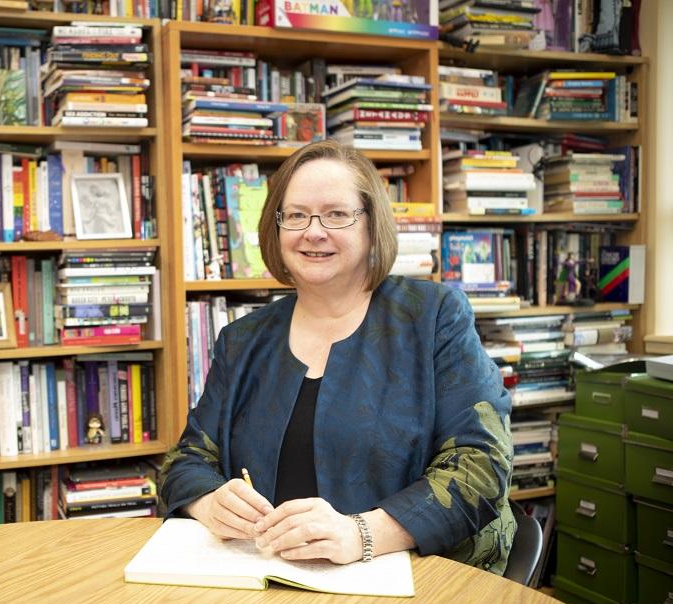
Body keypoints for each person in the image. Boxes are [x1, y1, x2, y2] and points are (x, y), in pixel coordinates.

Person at [159, 140, 516, 574]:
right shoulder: (243, 339)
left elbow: (481, 464)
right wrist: (208, 501)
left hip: (420, 578)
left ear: (371, 226)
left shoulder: (433, 316)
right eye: (295, 215)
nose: (313, 231)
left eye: (336, 214)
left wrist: (361, 534)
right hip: (272, 575)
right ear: (276, 228)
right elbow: (186, 459)